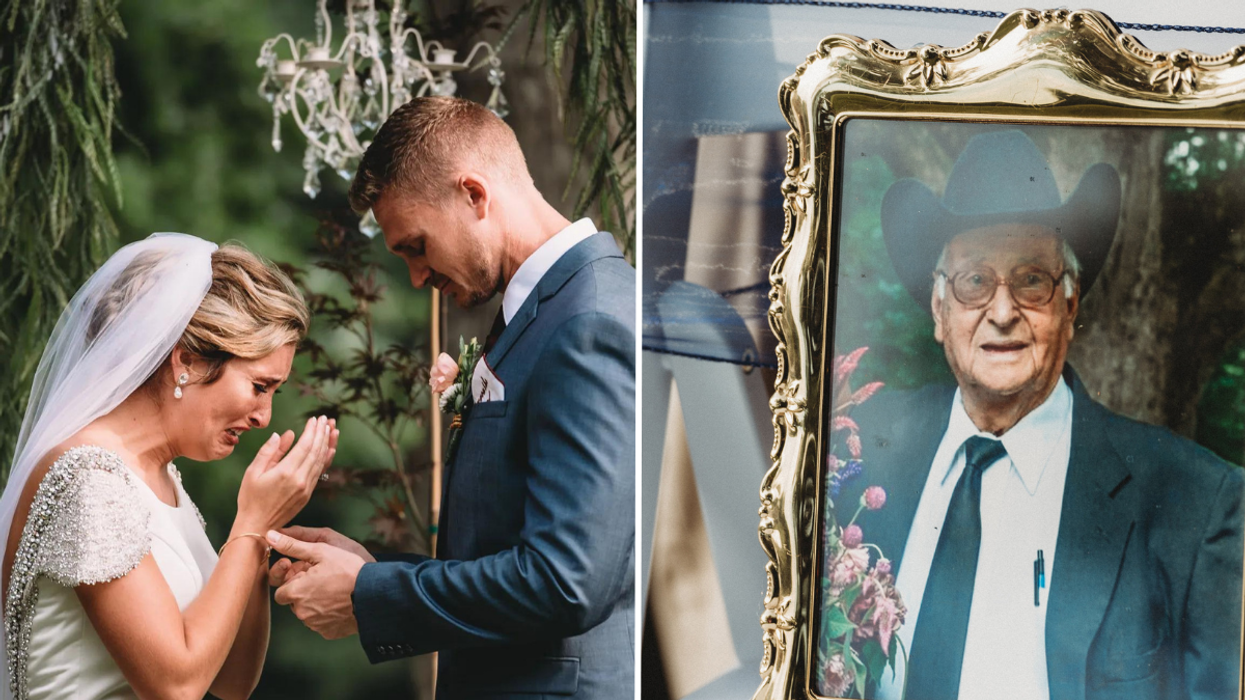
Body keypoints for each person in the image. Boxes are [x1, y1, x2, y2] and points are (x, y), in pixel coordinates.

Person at [837, 130, 1243, 700]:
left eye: (1031, 281)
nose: (1002, 312)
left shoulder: (1197, 502)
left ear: (1070, 304)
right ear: (938, 309)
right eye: (975, 281)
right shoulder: (859, 457)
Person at [266, 96, 635, 699]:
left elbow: (566, 581)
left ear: (474, 194)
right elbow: (509, 546)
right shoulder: (542, 315)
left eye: (415, 245)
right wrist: (373, 571)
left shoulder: (588, 321)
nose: (416, 277)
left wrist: (369, 597)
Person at [0, 233, 338, 700]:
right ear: (188, 362)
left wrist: (260, 538)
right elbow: (176, 685)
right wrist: (250, 522)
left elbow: (232, 683)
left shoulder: (161, 480)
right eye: (260, 386)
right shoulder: (86, 478)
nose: (265, 418)